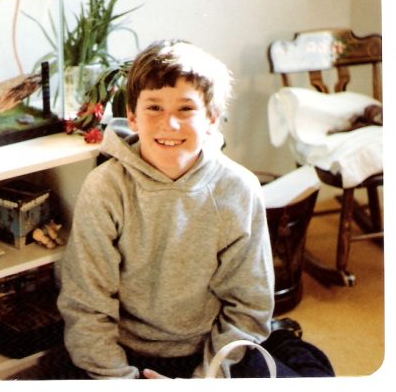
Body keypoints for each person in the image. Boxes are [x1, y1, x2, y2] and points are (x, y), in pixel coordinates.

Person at [55, 39, 334, 379]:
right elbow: (86, 305)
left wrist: (204, 381)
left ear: (211, 118)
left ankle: (285, 344)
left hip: (216, 351)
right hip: (128, 355)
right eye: (154, 108)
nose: (168, 124)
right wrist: (123, 381)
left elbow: (249, 305)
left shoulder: (238, 188)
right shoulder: (105, 188)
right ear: (132, 116)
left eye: (185, 109)